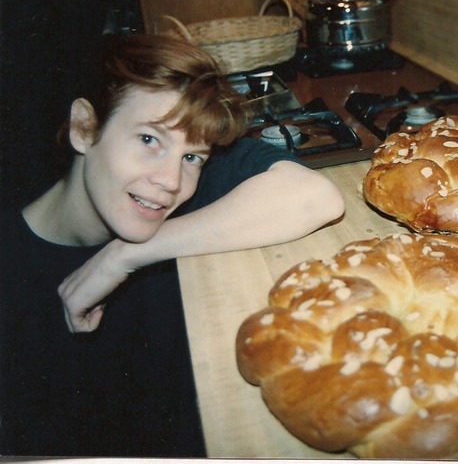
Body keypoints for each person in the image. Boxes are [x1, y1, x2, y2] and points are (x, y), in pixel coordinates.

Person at [0, 33, 345, 456]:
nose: (171, 182)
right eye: (149, 140)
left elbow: (316, 198)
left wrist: (124, 255)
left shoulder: (179, 194)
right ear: (84, 129)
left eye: (192, 157)